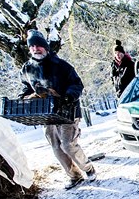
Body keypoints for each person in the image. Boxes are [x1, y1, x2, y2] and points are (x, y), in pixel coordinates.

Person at [18, 29, 96, 190]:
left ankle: (88, 168)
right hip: (46, 113)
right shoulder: (27, 69)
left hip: (67, 110)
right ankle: (74, 176)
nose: (35, 49)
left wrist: (68, 96)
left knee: (68, 145)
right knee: (56, 147)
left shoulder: (61, 65)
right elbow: (25, 88)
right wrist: (25, 97)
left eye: (39, 46)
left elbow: (77, 84)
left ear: (45, 47)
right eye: (32, 46)